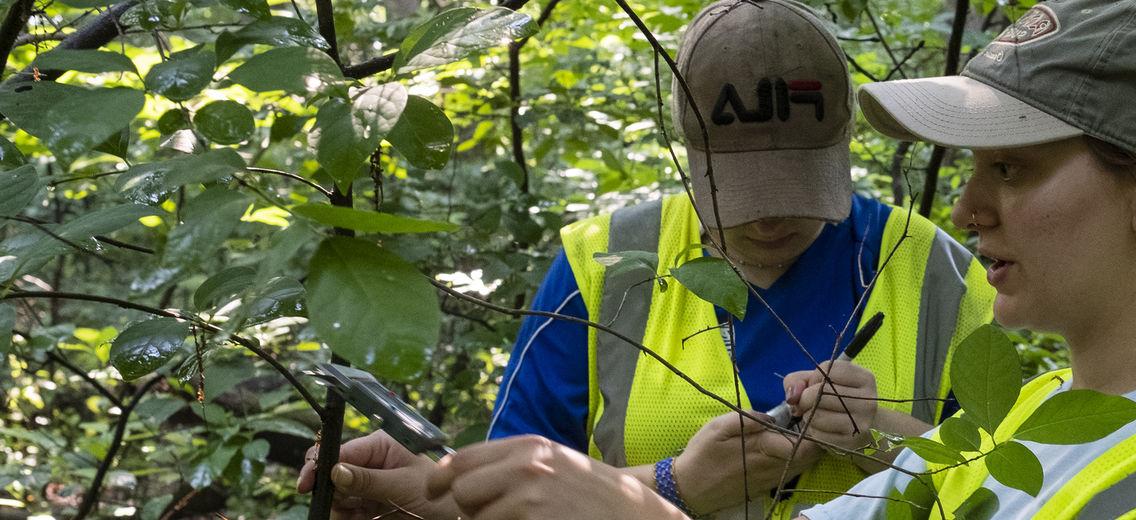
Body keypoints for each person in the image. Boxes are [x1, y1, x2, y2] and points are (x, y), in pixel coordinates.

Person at [409, 0, 1136, 518]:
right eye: (976, 168)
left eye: (1012, 170)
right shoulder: (1039, 417)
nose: (970, 208)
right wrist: (419, 488)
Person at [296, 0, 994, 518]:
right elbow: (512, 495)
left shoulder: (938, 272)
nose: (770, 215)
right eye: (740, 191)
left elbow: (1024, 487)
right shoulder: (604, 264)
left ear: (840, 143)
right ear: (688, 152)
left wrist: (881, 437)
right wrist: (674, 485)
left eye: (793, 184)